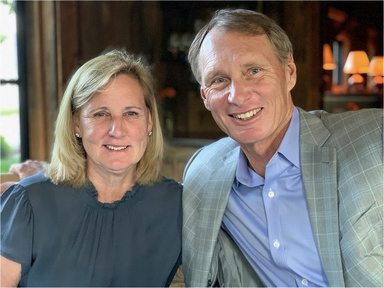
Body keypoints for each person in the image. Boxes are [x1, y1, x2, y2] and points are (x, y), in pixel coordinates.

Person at [182, 8, 383, 287]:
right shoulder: (204, 172)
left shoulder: (375, 137)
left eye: (253, 71)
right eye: (219, 80)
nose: (237, 96)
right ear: (205, 97)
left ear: (289, 73)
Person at [1, 49, 182, 287]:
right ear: (76, 123)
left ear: (149, 121)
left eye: (131, 113)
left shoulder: (177, 204)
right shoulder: (29, 203)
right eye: (100, 114)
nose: (117, 130)